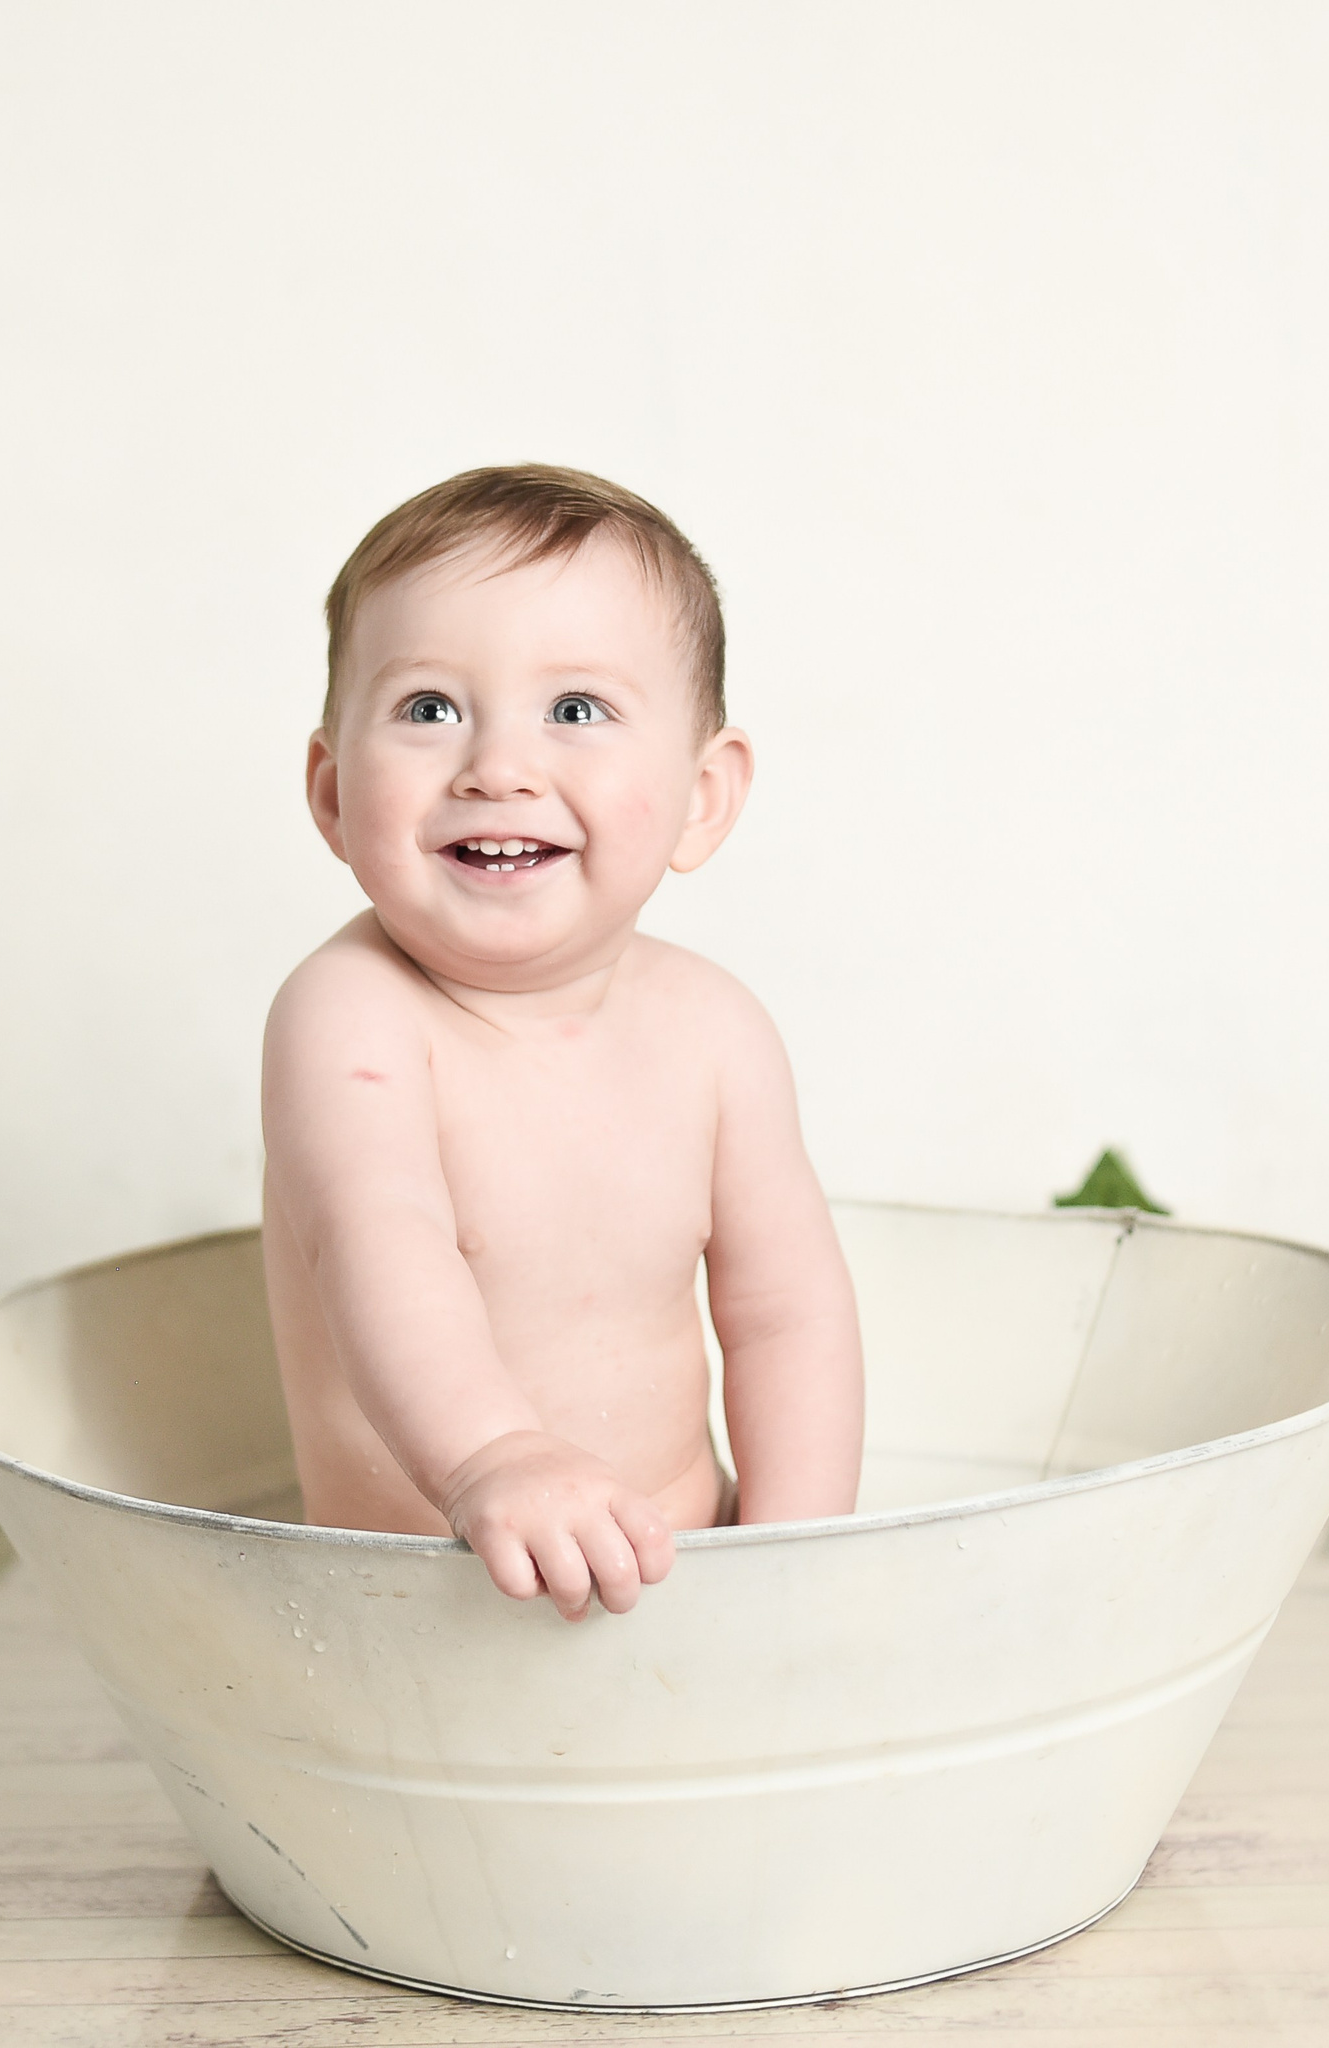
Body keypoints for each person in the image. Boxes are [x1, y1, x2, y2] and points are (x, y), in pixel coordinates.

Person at [261, 464, 863, 1621]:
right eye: (428, 708)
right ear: (334, 795)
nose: (497, 765)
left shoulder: (715, 1029)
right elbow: (377, 1245)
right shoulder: (349, 1014)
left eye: (574, 710)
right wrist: (494, 1455)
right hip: (426, 1606)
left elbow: (787, 1310)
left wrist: (793, 1557)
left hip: (688, 1575)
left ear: (700, 796)